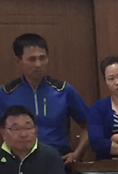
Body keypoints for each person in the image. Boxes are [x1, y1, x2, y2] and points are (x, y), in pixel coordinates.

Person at [2, 34, 89, 164]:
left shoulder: (63, 90)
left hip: (58, 161)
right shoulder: (6, 93)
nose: (38, 64)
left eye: (42, 58)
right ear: (19, 61)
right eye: (32, 59)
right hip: (17, 164)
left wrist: (77, 153)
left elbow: (89, 125)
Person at [0, 105, 66, 174]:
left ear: (35, 129)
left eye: (28, 127)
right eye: (16, 129)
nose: (23, 134)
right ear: (3, 132)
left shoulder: (51, 155)